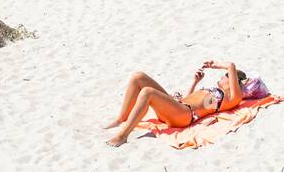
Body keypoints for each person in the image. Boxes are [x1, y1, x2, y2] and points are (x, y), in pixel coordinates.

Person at [105, 62, 246, 147]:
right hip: (178, 108)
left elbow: (231, 66)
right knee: (138, 76)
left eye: (224, 76)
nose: (221, 77)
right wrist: (194, 83)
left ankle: (122, 136)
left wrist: (215, 65)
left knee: (148, 92)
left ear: (232, 81)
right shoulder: (215, 92)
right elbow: (189, 99)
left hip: (184, 116)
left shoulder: (231, 98)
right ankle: (121, 119)